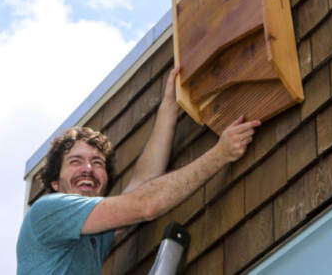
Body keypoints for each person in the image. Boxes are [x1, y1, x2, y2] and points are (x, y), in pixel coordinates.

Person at [16, 67, 260, 274]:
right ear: (56, 184)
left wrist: (168, 109)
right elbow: (146, 204)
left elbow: (143, 184)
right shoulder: (47, 212)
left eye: (97, 163)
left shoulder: (93, 237)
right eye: (75, 162)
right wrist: (220, 154)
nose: (88, 169)